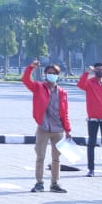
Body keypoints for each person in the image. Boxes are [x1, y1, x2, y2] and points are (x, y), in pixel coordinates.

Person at [23, 60, 71, 193]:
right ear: (45, 75)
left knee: (56, 158)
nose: (52, 75)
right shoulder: (39, 87)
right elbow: (26, 80)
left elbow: (65, 112)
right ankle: (39, 183)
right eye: (49, 73)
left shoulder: (62, 92)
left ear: (58, 75)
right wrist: (31, 68)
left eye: (54, 73)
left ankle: (55, 183)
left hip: (58, 129)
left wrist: (68, 129)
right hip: (43, 128)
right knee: (40, 157)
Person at [77, 62, 102, 177]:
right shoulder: (89, 83)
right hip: (93, 119)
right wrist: (87, 72)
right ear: (94, 71)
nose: (101, 71)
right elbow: (80, 85)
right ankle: (91, 169)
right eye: (98, 69)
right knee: (91, 144)